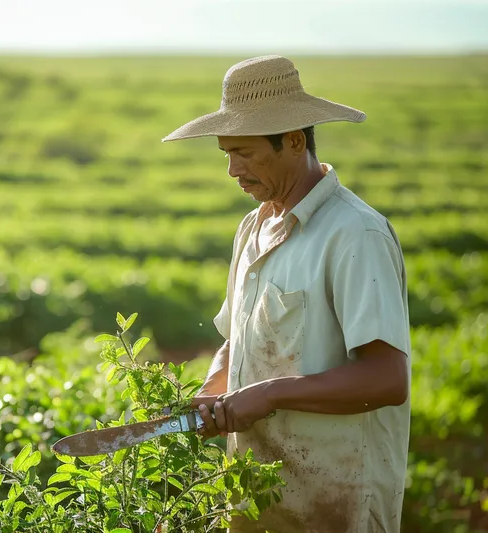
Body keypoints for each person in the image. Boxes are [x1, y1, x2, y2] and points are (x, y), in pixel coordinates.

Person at [162, 56, 411, 532]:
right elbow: (238, 339)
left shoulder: (355, 234)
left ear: (295, 141)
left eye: (246, 153)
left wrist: (272, 395)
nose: (233, 170)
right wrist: (214, 390)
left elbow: (386, 378)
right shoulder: (253, 227)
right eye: (226, 154)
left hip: (336, 502)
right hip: (258, 499)